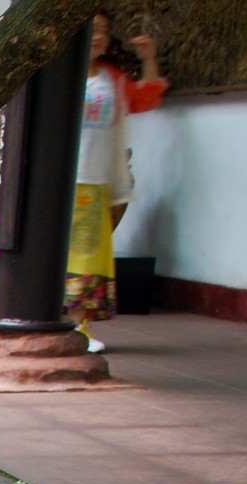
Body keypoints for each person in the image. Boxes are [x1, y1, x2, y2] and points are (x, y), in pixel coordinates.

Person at [68, 12, 167, 351]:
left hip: (94, 181)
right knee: (49, 248)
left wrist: (149, 59)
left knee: (88, 255)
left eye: (104, 31)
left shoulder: (112, 79)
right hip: (58, 181)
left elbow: (146, 98)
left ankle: (77, 326)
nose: (98, 37)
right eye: (91, 29)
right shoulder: (58, 73)